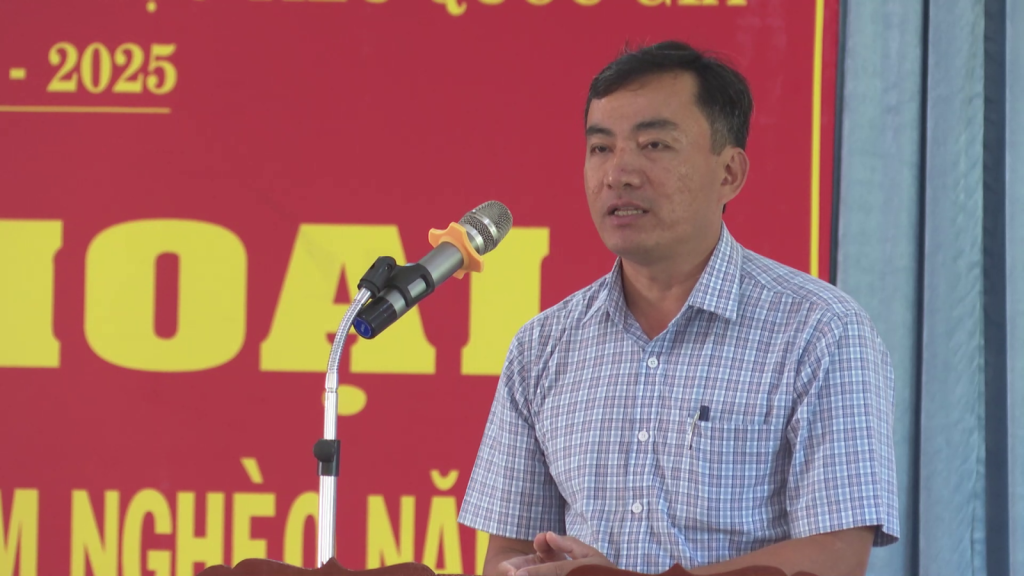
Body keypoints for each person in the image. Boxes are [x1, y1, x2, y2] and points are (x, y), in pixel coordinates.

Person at [457, 41, 899, 576]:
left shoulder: (821, 331)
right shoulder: (542, 346)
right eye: (601, 148)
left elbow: (835, 559)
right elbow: (505, 553)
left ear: (729, 172)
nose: (618, 173)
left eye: (655, 145)